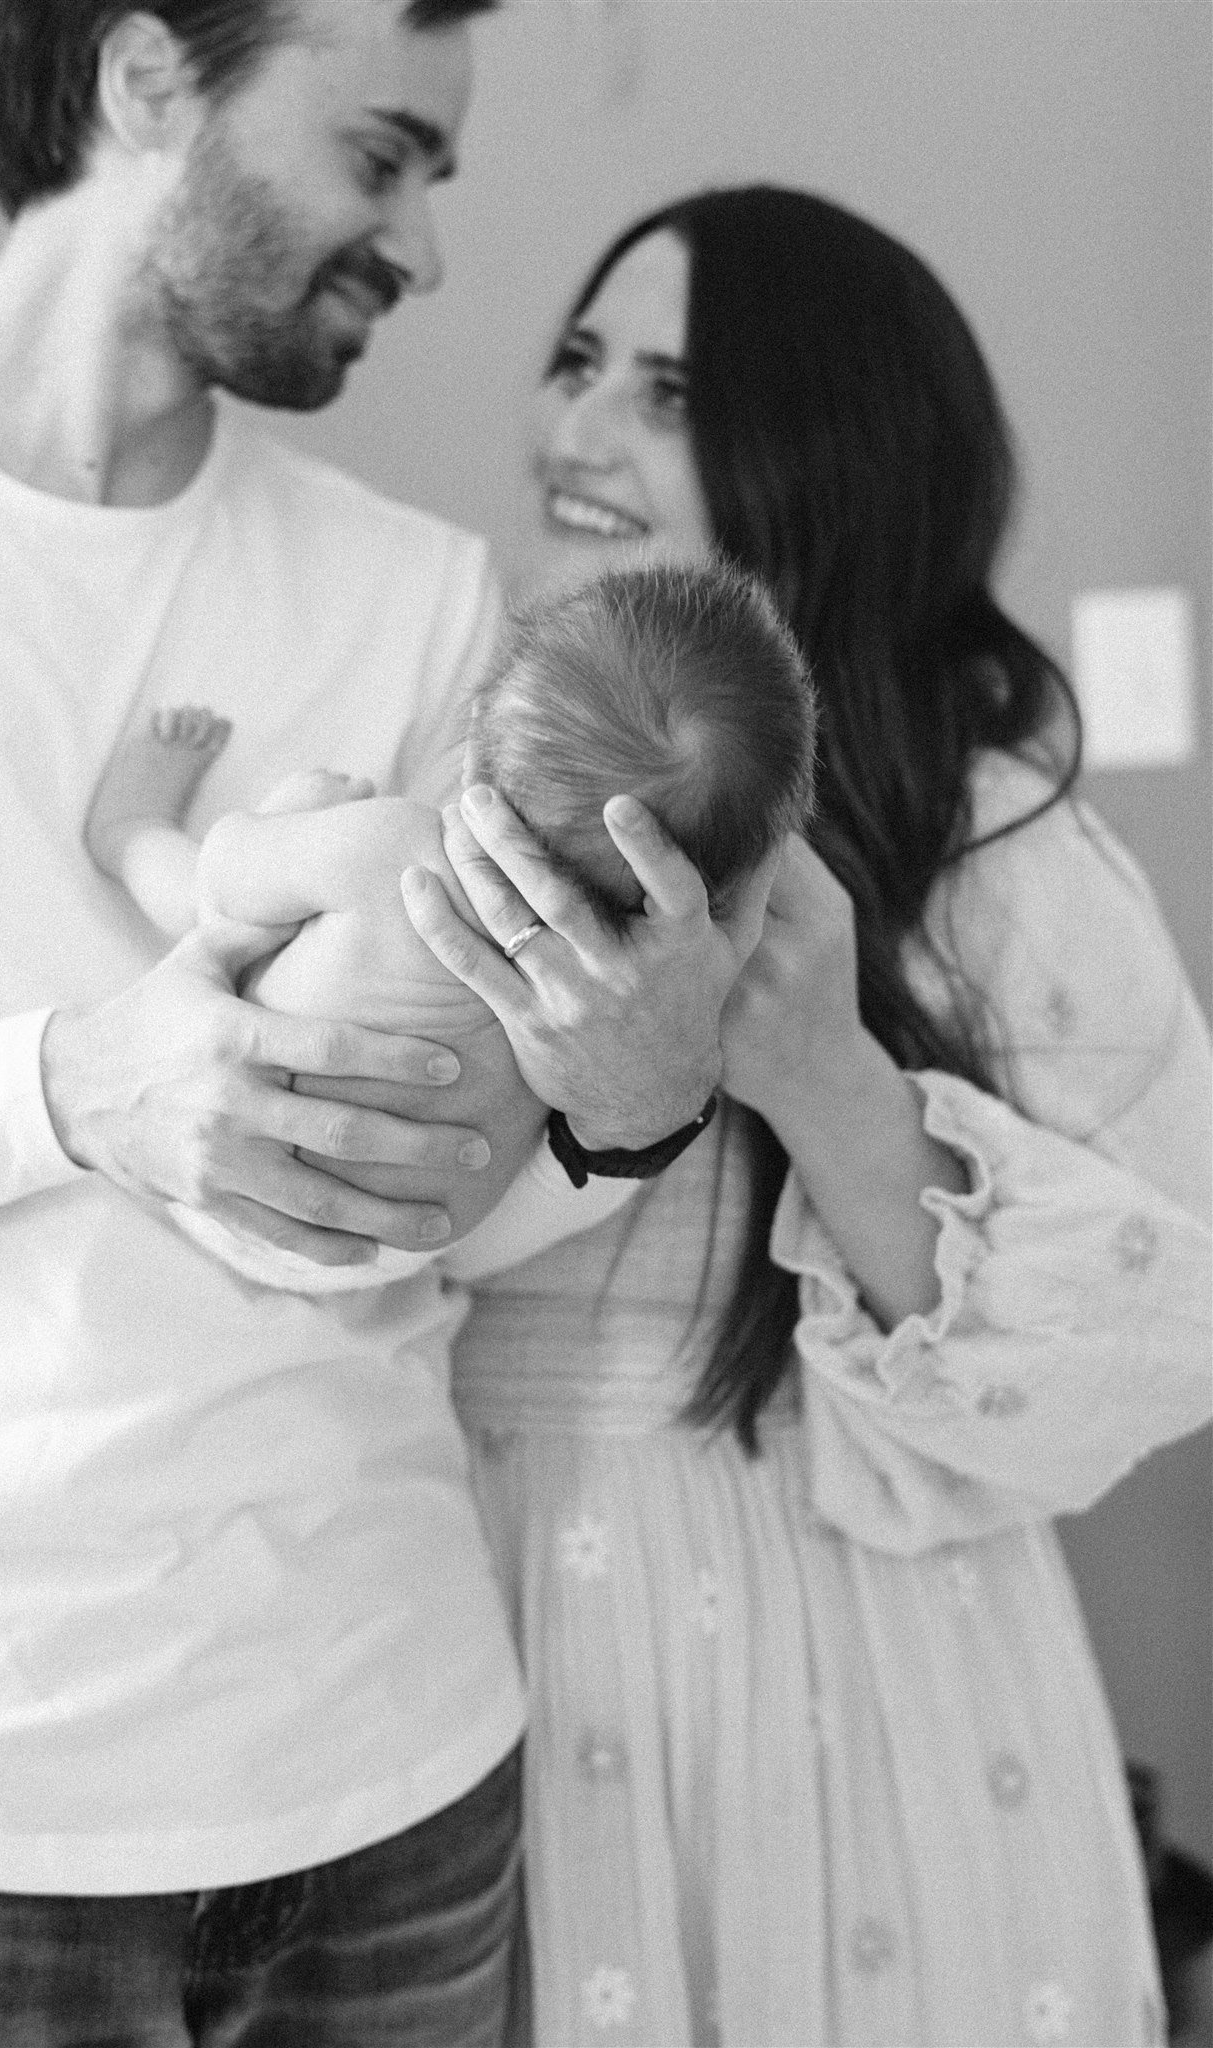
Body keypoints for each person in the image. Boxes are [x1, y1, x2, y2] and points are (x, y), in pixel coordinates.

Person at [0, 3, 758, 2035]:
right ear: (147, 81)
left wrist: (627, 1113)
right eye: (379, 155)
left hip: (391, 1756)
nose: (427, 249)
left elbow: (441, 1200)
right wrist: (74, 1085)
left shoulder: (423, 600)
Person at [396, 189, 1213, 2046]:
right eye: (580, 362)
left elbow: (1142, 1346)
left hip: (869, 1679)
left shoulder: (999, 847)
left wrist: (820, 1068)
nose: (577, 430)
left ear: (825, 448)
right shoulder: (445, 769)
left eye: (669, 388)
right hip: (480, 1630)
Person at [82, 559, 817, 1270]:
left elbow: (223, 883)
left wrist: (296, 814)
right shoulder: (644, 999)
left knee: (212, 909)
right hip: (397, 1247)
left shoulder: (393, 851)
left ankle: (128, 829)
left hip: (225, 1183)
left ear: (474, 747)